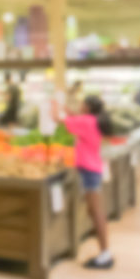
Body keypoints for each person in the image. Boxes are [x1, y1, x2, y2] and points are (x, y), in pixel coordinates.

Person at [57, 94, 115, 269]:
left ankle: (105, 255)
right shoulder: (93, 120)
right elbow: (75, 118)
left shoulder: (87, 122)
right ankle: (103, 248)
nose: (80, 105)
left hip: (90, 171)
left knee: (96, 212)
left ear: (88, 107)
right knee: (93, 210)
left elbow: (58, 120)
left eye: (82, 103)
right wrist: (67, 111)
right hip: (93, 169)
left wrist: (53, 106)